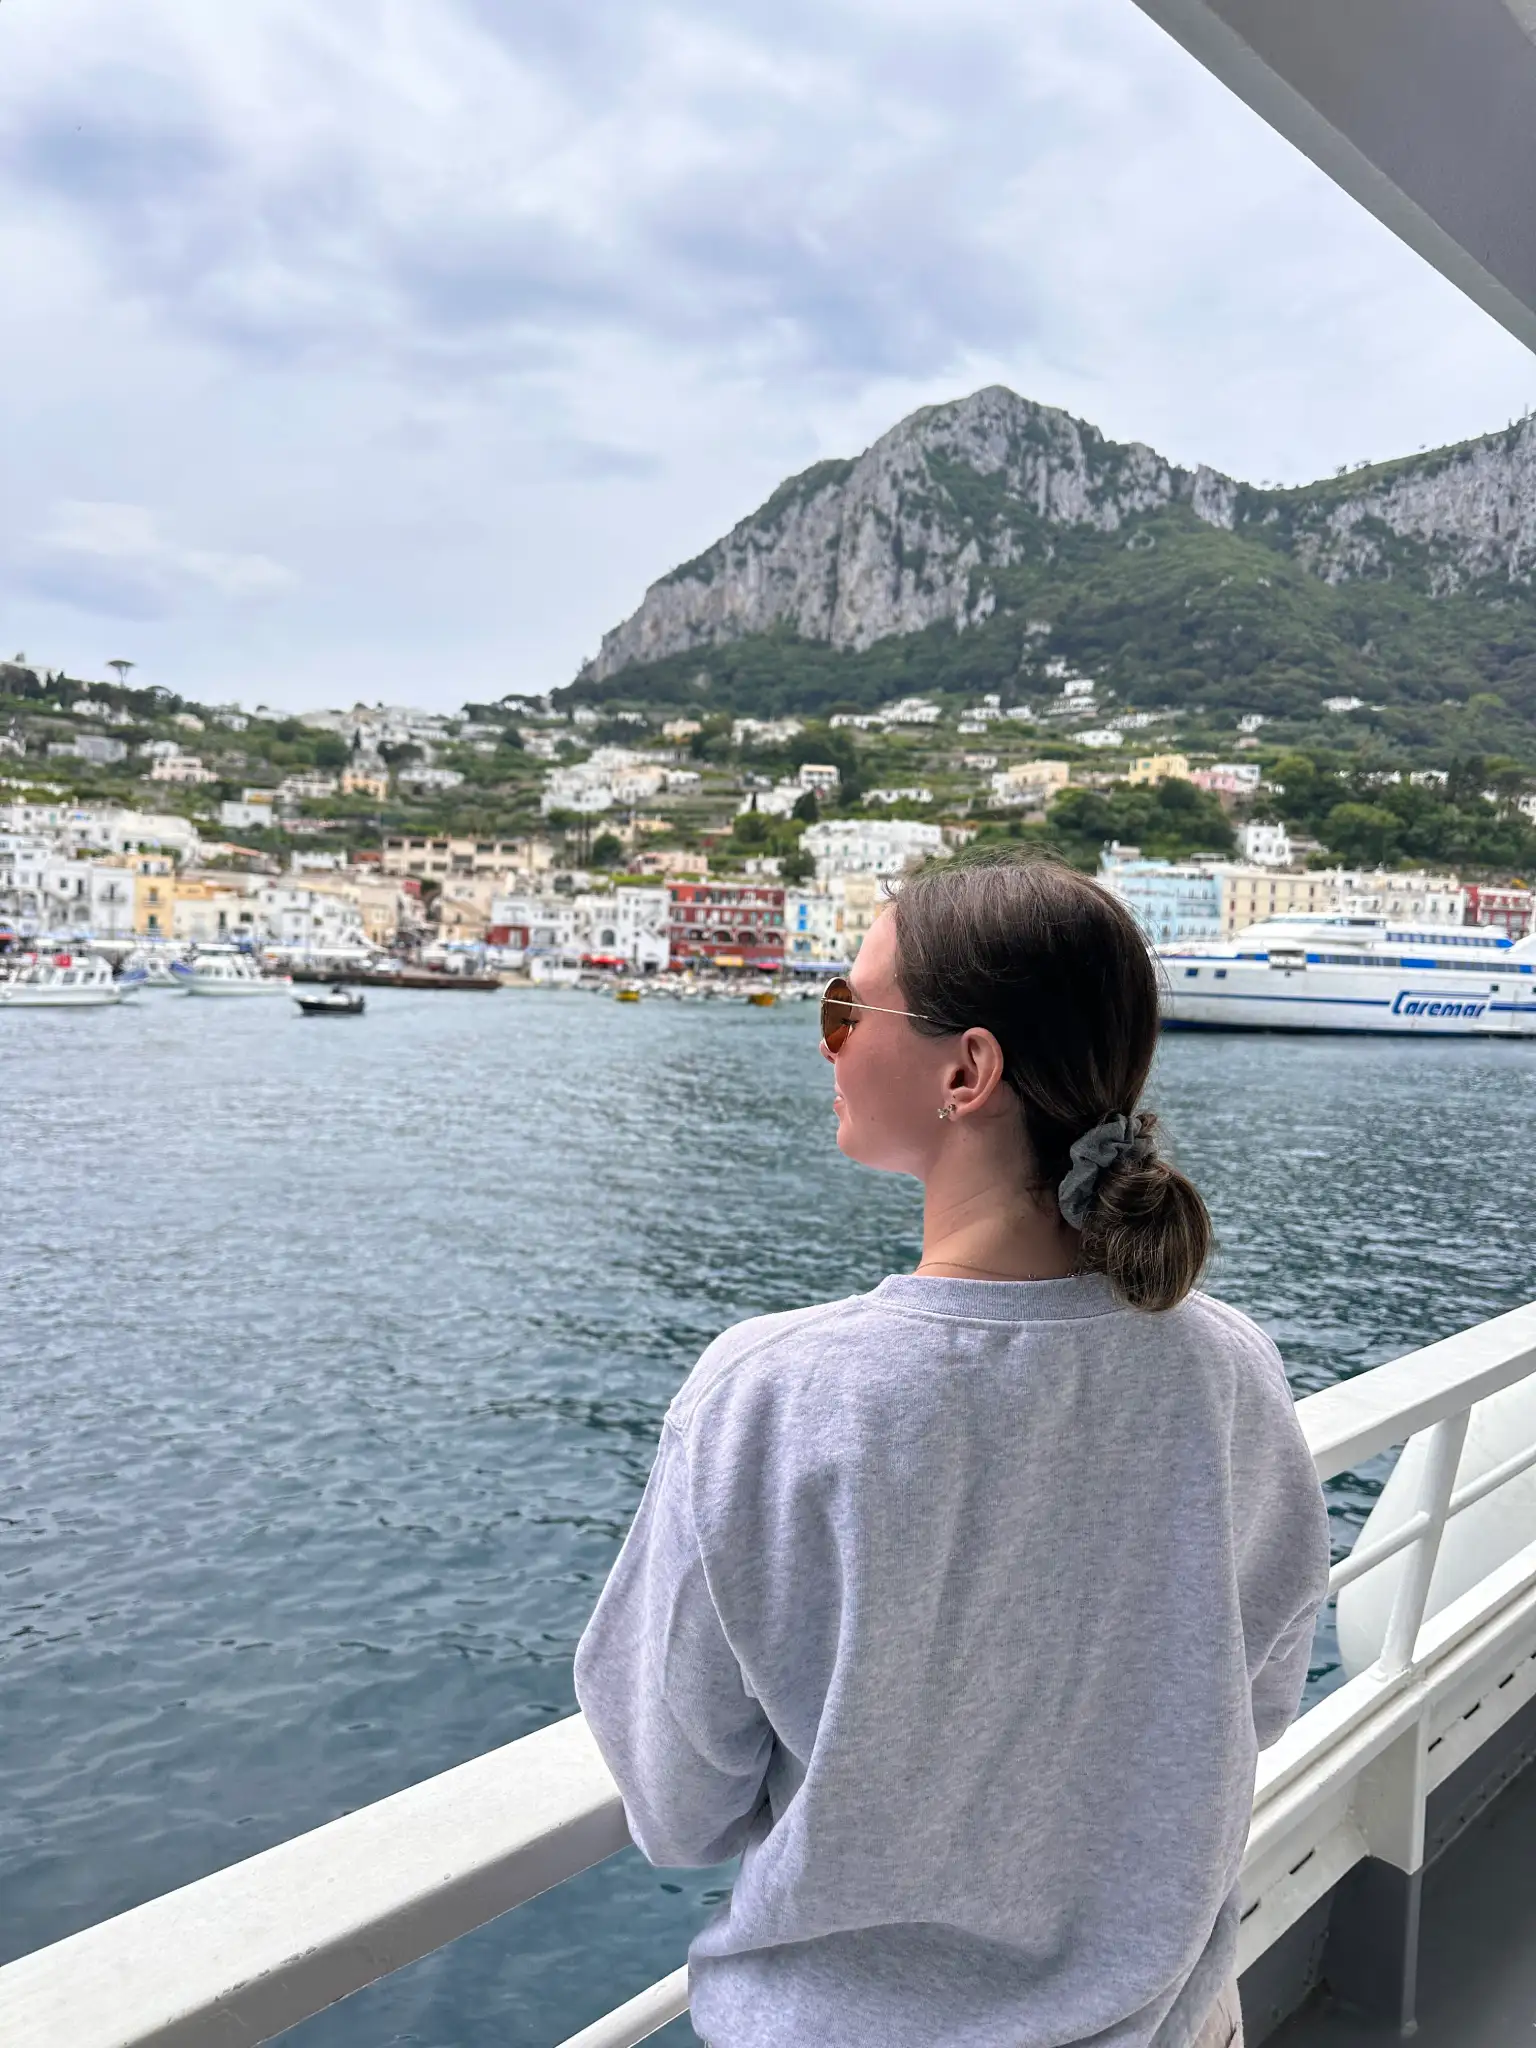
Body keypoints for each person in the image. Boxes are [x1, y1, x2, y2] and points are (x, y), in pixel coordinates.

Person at [574, 853, 1330, 2048]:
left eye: (843, 1009)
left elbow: (679, 1808)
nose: (826, 1042)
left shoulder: (768, 1395)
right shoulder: (1226, 1368)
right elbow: (1261, 1698)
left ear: (967, 1070)